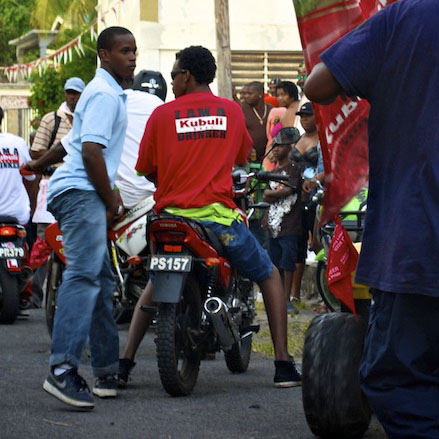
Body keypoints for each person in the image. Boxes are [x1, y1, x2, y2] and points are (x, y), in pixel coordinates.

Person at [119, 45, 302, 389]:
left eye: (174, 74)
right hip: (218, 222)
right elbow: (239, 160)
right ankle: (282, 363)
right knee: (270, 274)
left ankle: (124, 362)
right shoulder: (231, 113)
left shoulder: (162, 115)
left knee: (156, 283)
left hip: (168, 220)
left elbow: (147, 170)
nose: (172, 81)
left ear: (186, 75)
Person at [304, 1, 439, 437]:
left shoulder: (406, 16)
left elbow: (319, 84)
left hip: (418, 235)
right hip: (416, 236)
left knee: (403, 380)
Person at [42, 26, 137, 410]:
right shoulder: (103, 94)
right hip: (82, 193)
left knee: (98, 277)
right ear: (104, 55)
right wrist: (110, 199)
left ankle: (105, 370)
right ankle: (62, 369)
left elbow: (72, 142)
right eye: (124, 51)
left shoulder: (105, 92)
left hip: (79, 190)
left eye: (135, 50)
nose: (132, 57)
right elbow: (91, 153)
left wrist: (37, 162)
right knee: (83, 274)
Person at [29, 77, 85, 307]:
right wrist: (59, 153)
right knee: (45, 238)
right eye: (69, 93)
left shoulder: (86, 118)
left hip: (78, 187)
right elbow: (35, 153)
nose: (72, 97)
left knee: (74, 238)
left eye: (77, 93)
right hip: (52, 185)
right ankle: (33, 293)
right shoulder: (51, 119)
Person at [0, 107, 36, 315]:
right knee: (23, 251)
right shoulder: (18, 143)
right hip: (17, 213)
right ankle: (24, 295)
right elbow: (30, 177)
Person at [263, 128, 302, 314]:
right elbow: (265, 195)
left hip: (289, 223)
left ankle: (286, 299)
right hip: (273, 225)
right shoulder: (274, 171)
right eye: (275, 146)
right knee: (275, 263)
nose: (276, 149)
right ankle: (276, 298)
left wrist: (271, 194)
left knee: (288, 262)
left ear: (289, 147)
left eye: (280, 146)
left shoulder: (294, 169)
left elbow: (289, 190)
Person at [289, 102, 319, 303]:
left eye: (308, 115)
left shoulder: (324, 139)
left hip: (316, 195)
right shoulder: (298, 138)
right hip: (294, 196)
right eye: (302, 116)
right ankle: (294, 293)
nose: (304, 118)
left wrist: (314, 181)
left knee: (317, 243)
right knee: (296, 244)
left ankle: (324, 292)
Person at [242, 81, 273, 162]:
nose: (246, 96)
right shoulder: (242, 110)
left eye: (250, 93)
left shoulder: (271, 109)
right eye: (245, 94)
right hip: (249, 158)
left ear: (260, 94)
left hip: (269, 157)